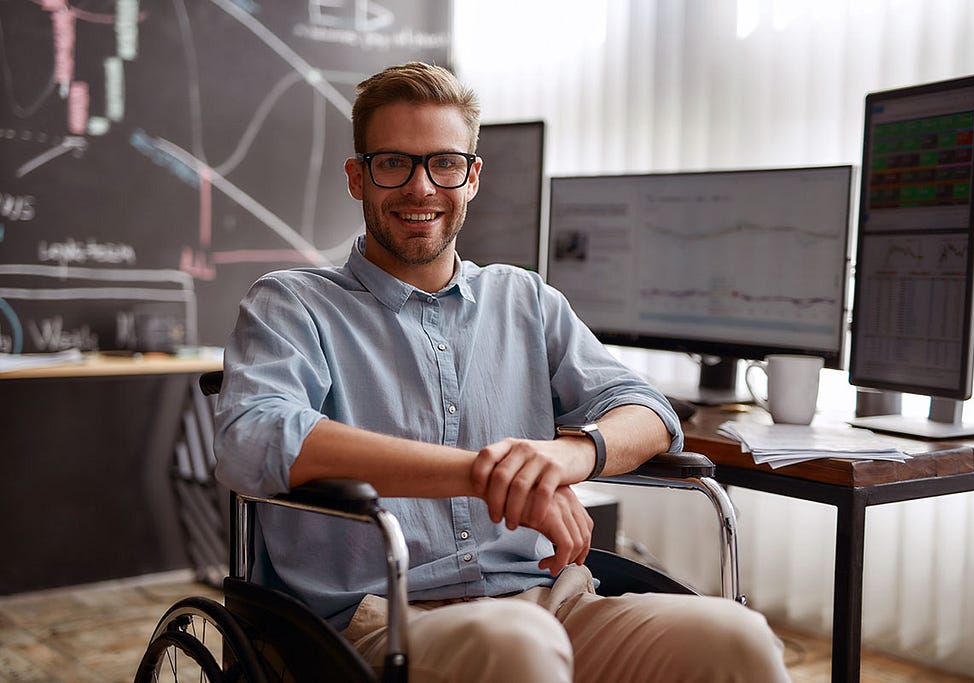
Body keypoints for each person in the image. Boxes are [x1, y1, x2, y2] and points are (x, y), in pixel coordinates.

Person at [215, 61, 790, 682]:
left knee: (737, 639)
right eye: (393, 164)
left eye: (445, 163)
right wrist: (489, 477)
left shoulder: (527, 299)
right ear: (358, 177)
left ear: (473, 177)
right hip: (378, 617)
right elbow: (254, 437)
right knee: (516, 645)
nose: (422, 188)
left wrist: (562, 460)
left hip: (551, 599)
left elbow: (646, 411)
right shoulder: (292, 302)